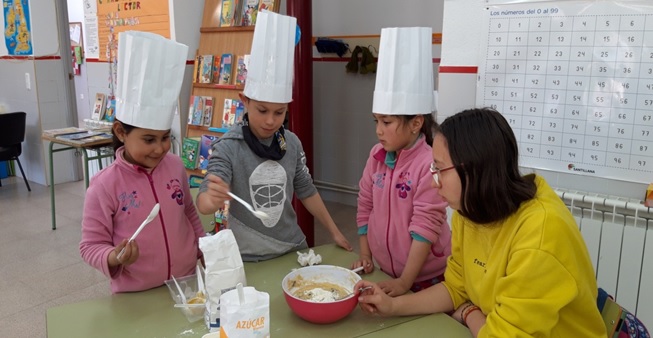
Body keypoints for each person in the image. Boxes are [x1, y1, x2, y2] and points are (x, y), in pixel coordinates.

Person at [355, 108, 607, 337]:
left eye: (439, 169)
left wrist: (468, 312)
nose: (434, 182)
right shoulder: (471, 210)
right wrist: (392, 306)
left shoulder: (540, 234)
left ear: (475, 170)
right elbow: (455, 287)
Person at [196, 11, 352, 262]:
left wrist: (334, 231)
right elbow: (204, 201)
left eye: (279, 112)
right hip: (247, 256)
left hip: (291, 246)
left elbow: (306, 190)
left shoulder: (290, 142)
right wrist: (211, 198)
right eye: (262, 110)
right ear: (244, 101)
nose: (270, 120)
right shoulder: (228, 147)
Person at [80, 32, 205, 293]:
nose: (159, 148)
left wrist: (204, 248)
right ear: (121, 132)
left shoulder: (175, 166)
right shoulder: (104, 186)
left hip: (187, 283)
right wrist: (114, 257)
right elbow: (90, 245)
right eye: (149, 139)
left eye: (165, 138)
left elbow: (189, 213)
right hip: (136, 293)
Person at [352, 27, 451, 296]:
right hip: (385, 271)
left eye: (387, 122)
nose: (378, 130)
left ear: (416, 123)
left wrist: (405, 282)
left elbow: (425, 227)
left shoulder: (429, 163)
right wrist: (365, 253)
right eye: (376, 121)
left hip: (425, 278)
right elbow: (365, 205)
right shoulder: (376, 157)